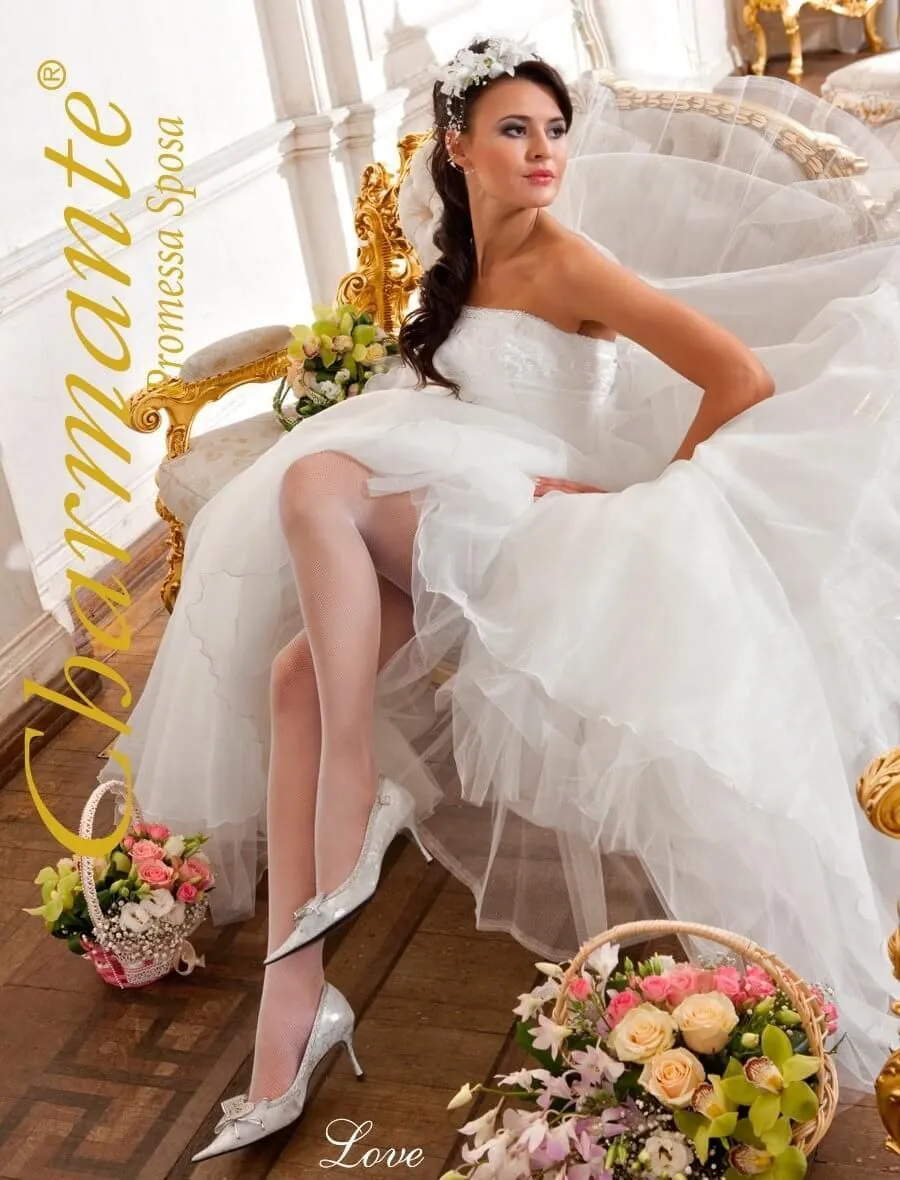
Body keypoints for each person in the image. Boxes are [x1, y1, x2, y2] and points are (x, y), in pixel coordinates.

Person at [98, 35, 900, 1160]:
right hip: (470, 511)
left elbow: (742, 375)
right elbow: (467, 407)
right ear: (458, 148)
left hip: (537, 534)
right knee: (294, 680)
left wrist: (647, 491)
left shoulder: (570, 261)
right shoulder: (462, 265)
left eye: (554, 131)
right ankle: (292, 1021)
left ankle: (359, 790)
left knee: (316, 482)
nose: (542, 152)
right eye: (515, 130)